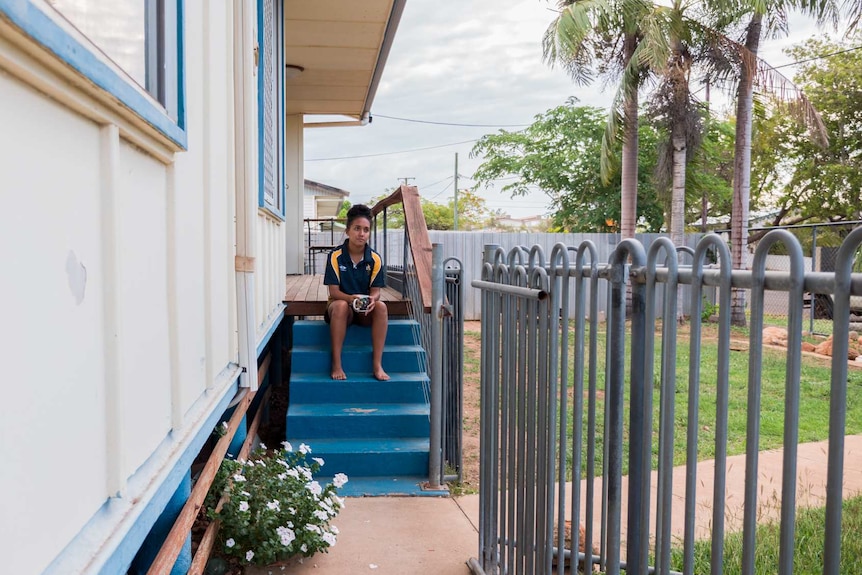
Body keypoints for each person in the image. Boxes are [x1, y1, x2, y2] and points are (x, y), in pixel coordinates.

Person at [323, 204, 389, 381]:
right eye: (357, 228)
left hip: (363, 310)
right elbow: (334, 291)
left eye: (366, 230)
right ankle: (336, 364)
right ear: (348, 231)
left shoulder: (374, 258)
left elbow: (376, 292)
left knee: (381, 307)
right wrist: (351, 299)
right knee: (341, 306)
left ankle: (377, 365)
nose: (361, 234)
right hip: (341, 307)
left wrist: (372, 300)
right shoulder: (335, 256)